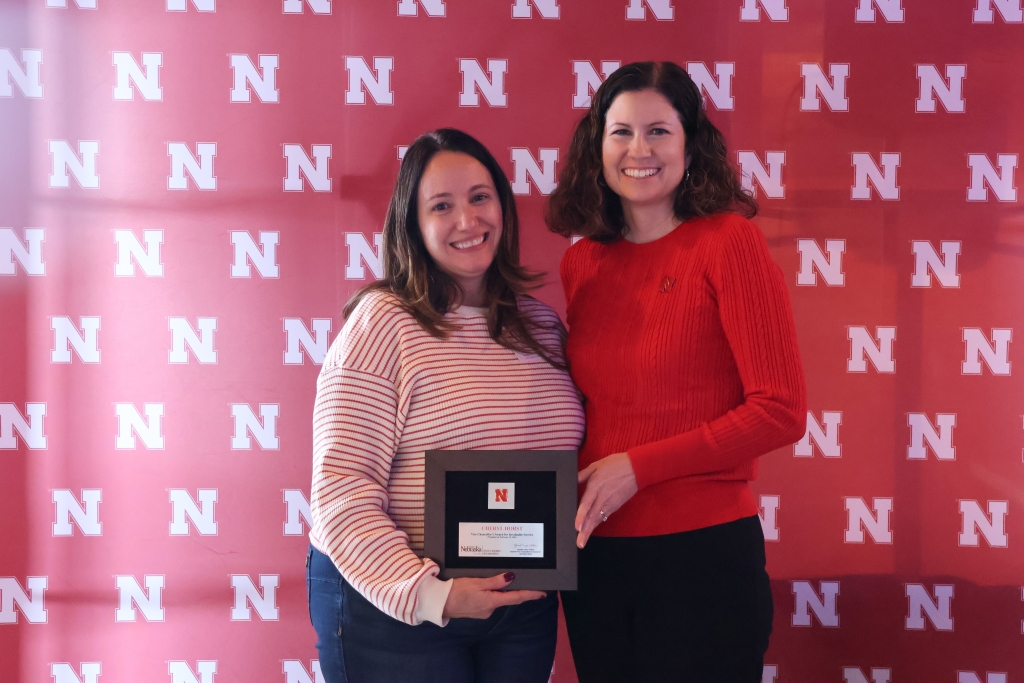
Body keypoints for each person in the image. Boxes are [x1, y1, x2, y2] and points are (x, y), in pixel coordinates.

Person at [546, 61, 807, 682]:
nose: (639, 150)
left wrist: (639, 468)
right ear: (597, 147)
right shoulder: (583, 263)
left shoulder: (728, 243)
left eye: (658, 131)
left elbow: (781, 410)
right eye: (621, 132)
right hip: (595, 557)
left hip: (701, 557)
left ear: (691, 146)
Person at [306, 128, 585, 683]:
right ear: (412, 224)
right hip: (398, 607)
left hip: (520, 605)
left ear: (503, 208)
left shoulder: (542, 326)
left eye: (480, 197)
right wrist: (432, 595)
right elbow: (341, 489)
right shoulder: (383, 323)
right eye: (441, 206)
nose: (467, 219)